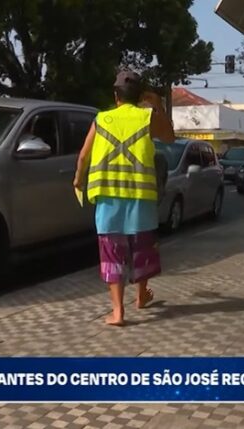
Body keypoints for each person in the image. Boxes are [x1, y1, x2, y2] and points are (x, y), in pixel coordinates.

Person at [73, 70, 175, 326]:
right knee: (142, 249)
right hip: (140, 197)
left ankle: (118, 312)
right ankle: (141, 295)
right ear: (140, 96)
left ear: (115, 95)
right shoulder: (147, 117)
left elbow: (84, 155)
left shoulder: (102, 119)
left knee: (112, 253)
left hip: (108, 199)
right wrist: (158, 105)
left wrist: (78, 179)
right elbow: (170, 137)